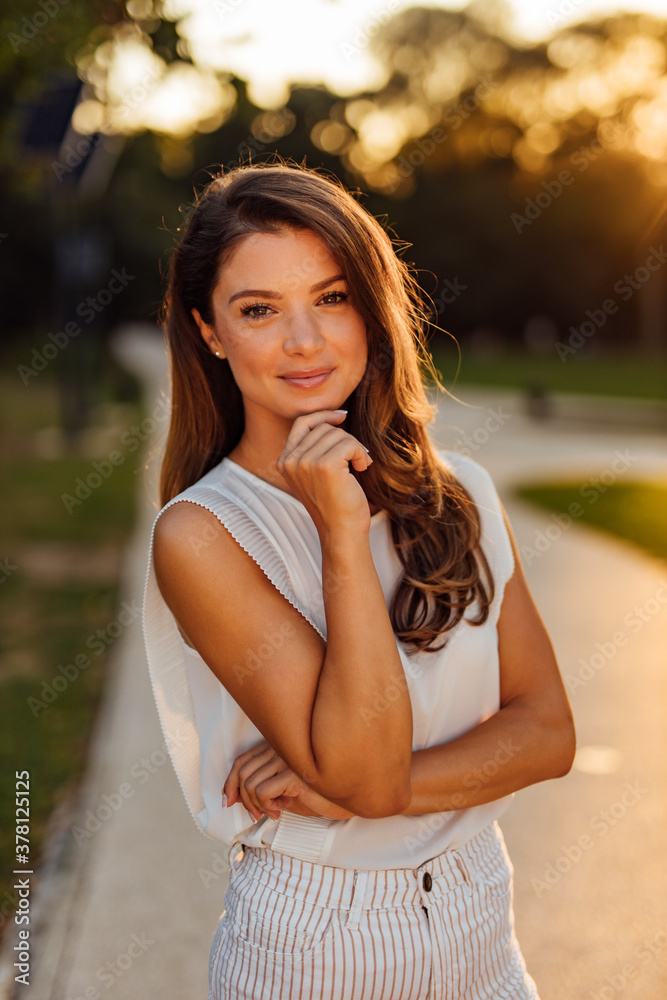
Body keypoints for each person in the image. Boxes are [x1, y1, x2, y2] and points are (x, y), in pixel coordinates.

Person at [142, 158, 576, 1000]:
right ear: (209, 331)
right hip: (318, 944)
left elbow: (548, 734)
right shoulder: (203, 535)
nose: (303, 341)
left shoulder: (463, 494)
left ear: (372, 309)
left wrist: (357, 791)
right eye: (259, 310)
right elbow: (367, 774)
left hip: (480, 915)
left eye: (331, 297)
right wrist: (341, 534)